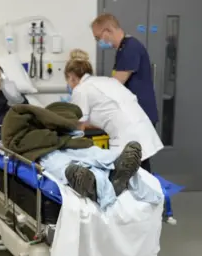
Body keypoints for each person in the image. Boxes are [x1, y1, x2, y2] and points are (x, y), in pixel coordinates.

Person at [64, 50, 163, 194]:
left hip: (126, 136)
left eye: (68, 81)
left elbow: (78, 124)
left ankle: (137, 210)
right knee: (144, 176)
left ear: (72, 77)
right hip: (142, 128)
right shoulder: (106, 81)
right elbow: (108, 111)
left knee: (125, 181)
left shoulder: (81, 89)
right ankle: (156, 208)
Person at [91, 14, 159, 172]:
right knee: (136, 164)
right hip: (134, 115)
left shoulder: (131, 48)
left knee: (138, 165)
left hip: (141, 116)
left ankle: (151, 196)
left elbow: (116, 84)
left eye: (98, 37)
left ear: (107, 31)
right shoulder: (123, 48)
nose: (99, 42)